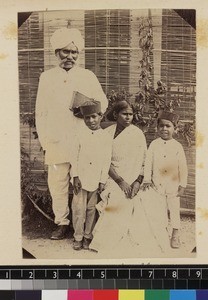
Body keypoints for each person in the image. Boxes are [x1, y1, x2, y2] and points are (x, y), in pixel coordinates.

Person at [35, 27, 108, 240]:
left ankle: (85, 226)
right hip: (57, 140)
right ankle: (62, 222)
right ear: (56, 53)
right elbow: (41, 111)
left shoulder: (87, 76)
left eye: (74, 53)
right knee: (57, 183)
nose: (70, 57)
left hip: (82, 140)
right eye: (65, 52)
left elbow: (101, 102)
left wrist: (86, 108)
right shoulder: (46, 77)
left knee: (85, 182)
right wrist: (46, 141)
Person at [89, 100, 149, 256]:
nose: (128, 117)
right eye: (124, 114)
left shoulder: (137, 134)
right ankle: (109, 240)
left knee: (131, 198)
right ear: (116, 115)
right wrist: (120, 181)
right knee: (117, 196)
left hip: (133, 176)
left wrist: (137, 182)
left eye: (131, 114)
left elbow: (144, 161)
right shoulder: (107, 133)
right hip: (113, 177)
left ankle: (121, 238)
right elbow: (104, 161)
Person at [142, 111, 188, 248]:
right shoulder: (154, 144)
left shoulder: (177, 146)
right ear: (157, 128)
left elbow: (183, 167)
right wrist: (147, 179)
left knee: (174, 208)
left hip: (173, 185)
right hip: (157, 184)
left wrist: (183, 185)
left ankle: (175, 233)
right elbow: (148, 162)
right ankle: (161, 232)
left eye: (168, 126)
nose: (164, 129)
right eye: (161, 126)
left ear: (175, 128)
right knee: (159, 209)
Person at [71, 100, 112, 251]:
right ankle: (78, 237)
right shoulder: (79, 134)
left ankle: (88, 236)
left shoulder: (105, 137)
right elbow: (73, 156)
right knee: (78, 209)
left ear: (101, 116)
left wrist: (102, 180)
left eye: (94, 116)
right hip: (80, 179)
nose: (91, 120)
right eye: (87, 118)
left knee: (91, 209)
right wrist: (75, 176)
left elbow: (106, 160)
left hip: (95, 179)